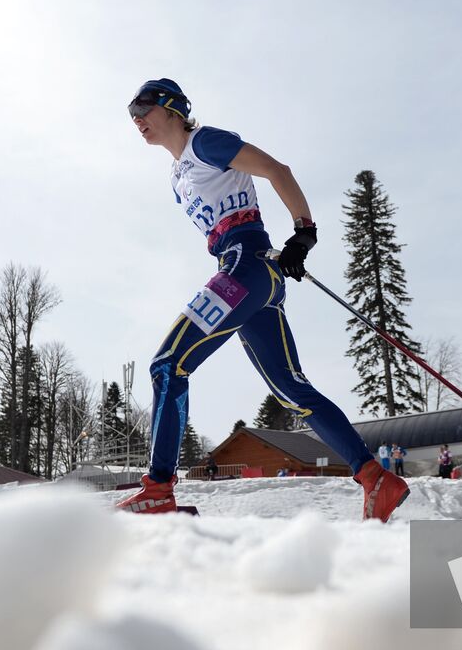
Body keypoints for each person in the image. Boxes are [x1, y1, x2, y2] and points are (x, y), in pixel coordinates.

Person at [115, 78, 409, 522]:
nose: (137, 119)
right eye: (130, 113)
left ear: (172, 107)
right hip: (252, 278)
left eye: (143, 107)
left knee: (167, 364)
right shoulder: (177, 177)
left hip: (245, 269)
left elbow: (278, 170)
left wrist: (303, 233)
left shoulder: (204, 143)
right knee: (292, 389)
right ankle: (375, 477)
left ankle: (158, 489)